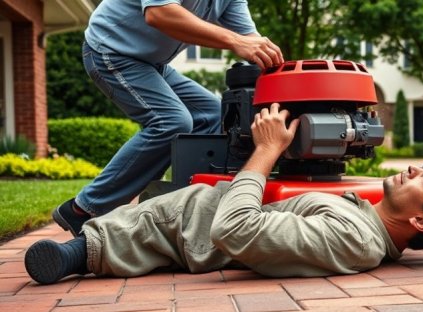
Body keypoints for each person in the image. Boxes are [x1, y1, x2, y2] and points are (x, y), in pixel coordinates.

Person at [25, 103, 423, 285]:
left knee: (140, 225)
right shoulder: (366, 222)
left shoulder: (355, 239)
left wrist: (266, 150)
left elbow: (233, 227)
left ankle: (74, 254)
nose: (415, 169)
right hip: (194, 212)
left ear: (421, 221)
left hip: (191, 224)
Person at [52, 0, 284, 237]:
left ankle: (187, 209)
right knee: (172, 122)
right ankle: (82, 209)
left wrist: (284, 77)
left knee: (214, 114)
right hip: (111, 51)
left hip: (152, 63)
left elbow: (252, 41)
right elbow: (159, 13)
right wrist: (236, 41)